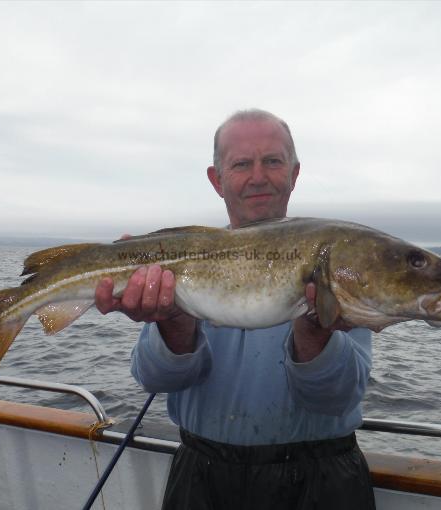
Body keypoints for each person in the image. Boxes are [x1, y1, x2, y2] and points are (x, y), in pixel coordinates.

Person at [95, 109, 375, 510]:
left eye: (273, 161)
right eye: (242, 163)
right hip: (202, 477)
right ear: (217, 179)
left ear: (294, 174)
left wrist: (316, 333)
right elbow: (155, 378)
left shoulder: (335, 255)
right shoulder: (182, 257)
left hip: (321, 479)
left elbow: (337, 398)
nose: (258, 176)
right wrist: (173, 321)